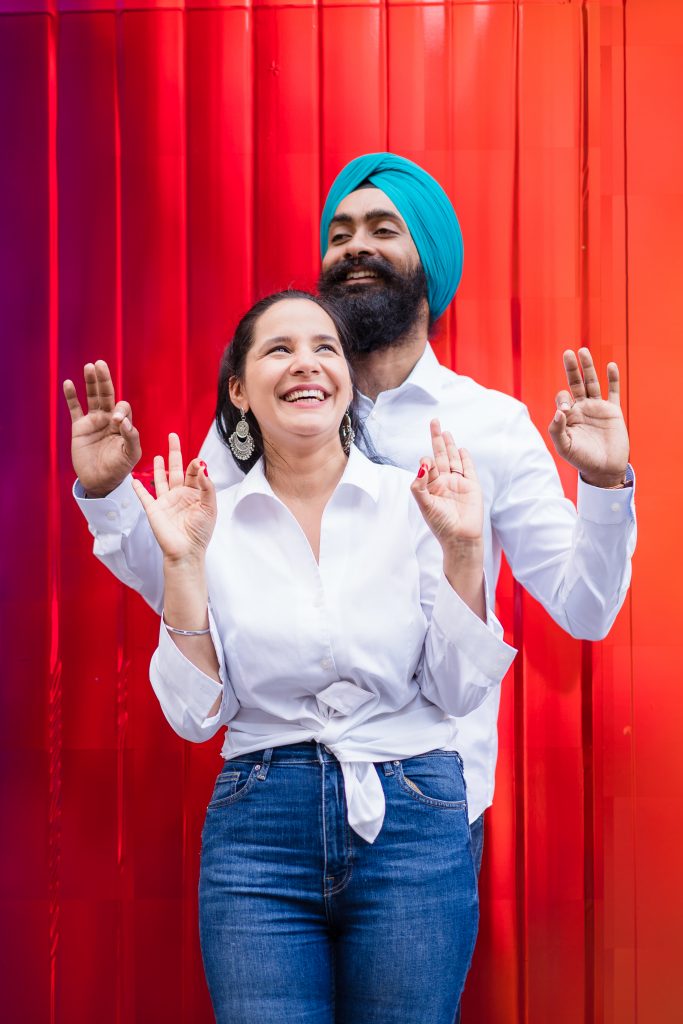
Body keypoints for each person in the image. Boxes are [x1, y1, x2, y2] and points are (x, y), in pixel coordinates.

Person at [63, 153, 635, 1016]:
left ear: (427, 261)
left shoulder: (488, 426)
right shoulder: (260, 421)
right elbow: (187, 574)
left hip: (425, 800)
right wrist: (111, 498)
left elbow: (584, 608)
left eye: (380, 229)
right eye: (338, 233)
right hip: (270, 801)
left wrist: (602, 482)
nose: (354, 247)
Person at [121, 288, 517, 1022]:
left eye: (324, 347)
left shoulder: (419, 502)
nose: (305, 363)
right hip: (259, 829)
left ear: (346, 380)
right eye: (279, 349)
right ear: (239, 391)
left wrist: (465, 551)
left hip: (412, 815)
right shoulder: (205, 520)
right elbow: (193, 717)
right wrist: (181, 565)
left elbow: (458, 691)